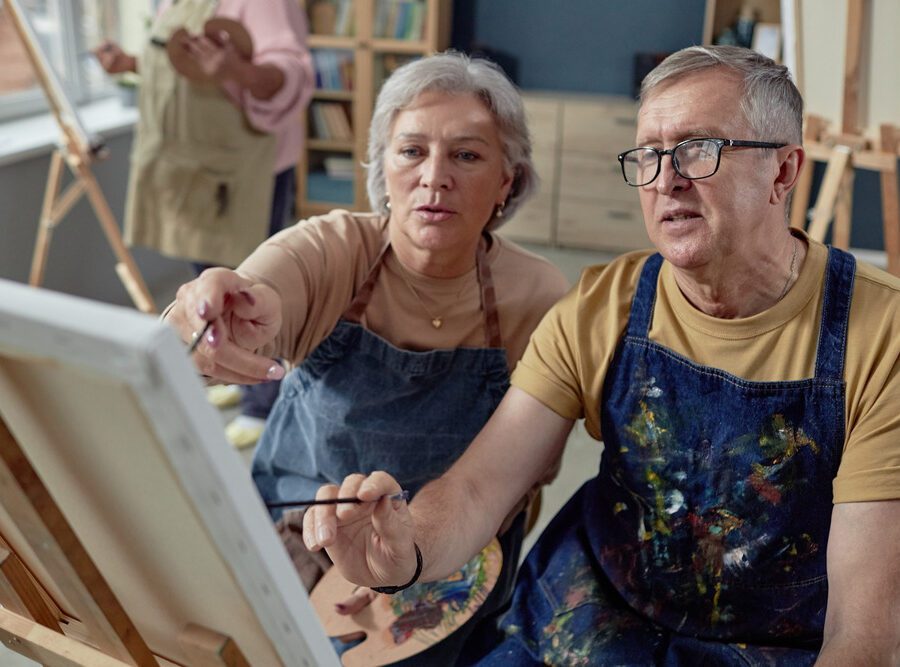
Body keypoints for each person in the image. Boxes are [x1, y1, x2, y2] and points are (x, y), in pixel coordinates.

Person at [305, 45, 900, 666]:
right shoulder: (604, 304)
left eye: (699, 149)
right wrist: (409, 551)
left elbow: (862, 636)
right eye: (648, 153)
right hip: (583, 623)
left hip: (765, 651)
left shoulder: (882, 335)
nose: (666, 179)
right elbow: (480, 488)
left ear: (783, 171)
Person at [165, 52, 570, 662]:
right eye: (411, 151)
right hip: (298, 524)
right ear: (383, 164)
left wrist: (406, 558)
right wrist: (209, 319)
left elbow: (524, 476)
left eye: (466, 154)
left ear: (506, 181)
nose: (435, 177)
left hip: (450, 549)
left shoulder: (538, 296)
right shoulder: (330, 249)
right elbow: (233, 310)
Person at [95, 0, 314, 447]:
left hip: (241, 170)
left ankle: (264, 400)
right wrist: (131, 63)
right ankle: (232, 374)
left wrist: (239, 71)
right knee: (207, 286)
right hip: (190, 166)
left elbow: (294, 73)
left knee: (251, 290)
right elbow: (177, 59)